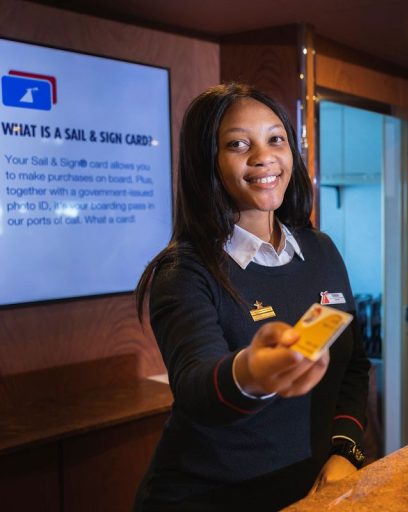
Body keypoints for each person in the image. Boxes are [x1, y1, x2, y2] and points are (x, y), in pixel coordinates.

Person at [133, 83, 370, 511]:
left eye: (275, 139)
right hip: (211, 498)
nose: (263, 156)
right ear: (208, 162)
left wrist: (345, 449)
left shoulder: (321, 250)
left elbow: (352, 366)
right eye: (239, 144)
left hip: (309, 489)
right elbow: (195, 386)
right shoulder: (185, 271)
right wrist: (252, 373)